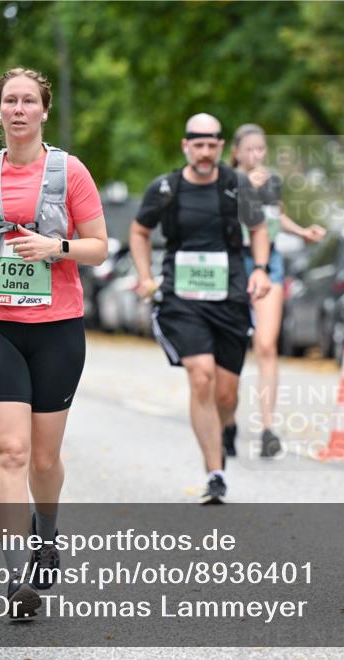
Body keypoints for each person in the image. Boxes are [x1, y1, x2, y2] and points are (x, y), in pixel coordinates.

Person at [0, 67, 107, 620]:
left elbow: (100, 247)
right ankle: (15, 576)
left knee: (43, 458)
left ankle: (47, 530)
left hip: (58, 327)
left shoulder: (70, 172)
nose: (18, 109)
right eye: (9, 100)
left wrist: (57, 245)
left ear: (42, 110)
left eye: (28, 101)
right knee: (10, 452)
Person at [130, 113, 271, 505]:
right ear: (185, 145)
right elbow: (140, 232)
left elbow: (258, 230)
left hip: (230, 297)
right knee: (202, 377)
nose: (205, 152)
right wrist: (145, 276)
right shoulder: (164, 189)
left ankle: (227, 422)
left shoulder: (236, 186)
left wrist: (260, 270)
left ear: (221, 147)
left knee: (226, 393)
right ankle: (215, 473)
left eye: (212, 145)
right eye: (198, 144)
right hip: (182, 297)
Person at [229, 124, 326, 458]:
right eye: (250, 149)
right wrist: (243, 191)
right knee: (231, 347)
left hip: (269, 263)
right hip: (232, 265)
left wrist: (303, 233)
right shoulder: (225, 181)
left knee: (266, 345)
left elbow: (276, 218)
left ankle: (268, 427)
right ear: (236, 151)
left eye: (261, 149)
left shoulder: (271, 182)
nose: (256, 155)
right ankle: (227, 420)